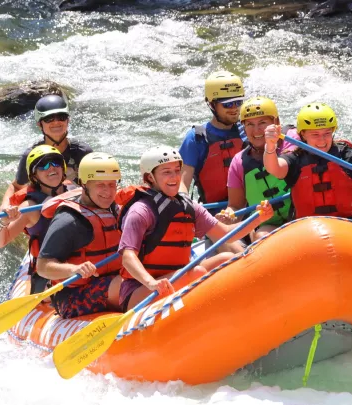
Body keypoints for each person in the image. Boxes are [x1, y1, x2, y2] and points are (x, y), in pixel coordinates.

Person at [117, 146, 273, 311]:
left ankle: (250, 303)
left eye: (177, 170)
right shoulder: (140, 211)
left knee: (227, 257)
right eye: (166, 172)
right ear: (150, 177)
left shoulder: (188, 207)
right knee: (197, 272)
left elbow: (226, 234)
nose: (174, 177)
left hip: (177, 277)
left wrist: (258, 219)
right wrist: (151, 283)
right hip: (141, 291)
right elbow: (128, 257)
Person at [36, 152, 123, 319]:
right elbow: (42, 266)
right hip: (72, 296)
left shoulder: (115, 209)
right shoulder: (68, 220)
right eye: (100, 185)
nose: (108, 191)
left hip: (110, 280)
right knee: (127, 285)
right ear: (84, 184)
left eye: (112, 184)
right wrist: (74, 269)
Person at [217, 97, 300, 241]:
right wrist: (229, 216)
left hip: (301, 217)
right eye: (250, 124)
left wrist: (271, 145)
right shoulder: (239, 162)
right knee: (261, 236)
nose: (256, 130)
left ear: (276, 123)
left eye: (262, 122)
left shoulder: (292, 139)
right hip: (268, 226)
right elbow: (236, 206)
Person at [0, 145, 72, 294]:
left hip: (79, 263)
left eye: (55, 162)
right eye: (43, 165)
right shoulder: (30, 207)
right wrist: (4, 222)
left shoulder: (73, 190)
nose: (51, 168)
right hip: (49, 275)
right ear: (34, 176)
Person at [0, 93, 93, 211]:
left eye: (61, 117)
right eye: (49, 119)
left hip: (77, 207)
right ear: (40, 124)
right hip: (44, 207)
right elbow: (16, 186)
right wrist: (5, 206)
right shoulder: (31, 155)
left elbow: (97, 184)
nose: (56, 122)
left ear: (68, 120)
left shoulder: (82, 152)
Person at [179, 71, 247, 205]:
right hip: (213, 214)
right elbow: (182, 184)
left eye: (238, 102)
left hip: (252, 210)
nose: (234, 108)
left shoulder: (249, 130)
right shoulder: (196, 139)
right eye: (227, 104)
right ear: (211, 104)